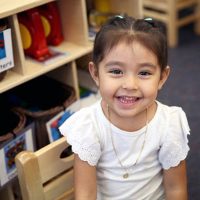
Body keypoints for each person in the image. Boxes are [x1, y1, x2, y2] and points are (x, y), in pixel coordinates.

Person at [59, 16, 190, 200]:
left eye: (144, 73)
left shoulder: (169, 124)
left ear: (162, 77)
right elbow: (85, 194)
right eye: (116, 71)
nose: (130, 85)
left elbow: (176, 189)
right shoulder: (89, 126)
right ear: (95, 74)